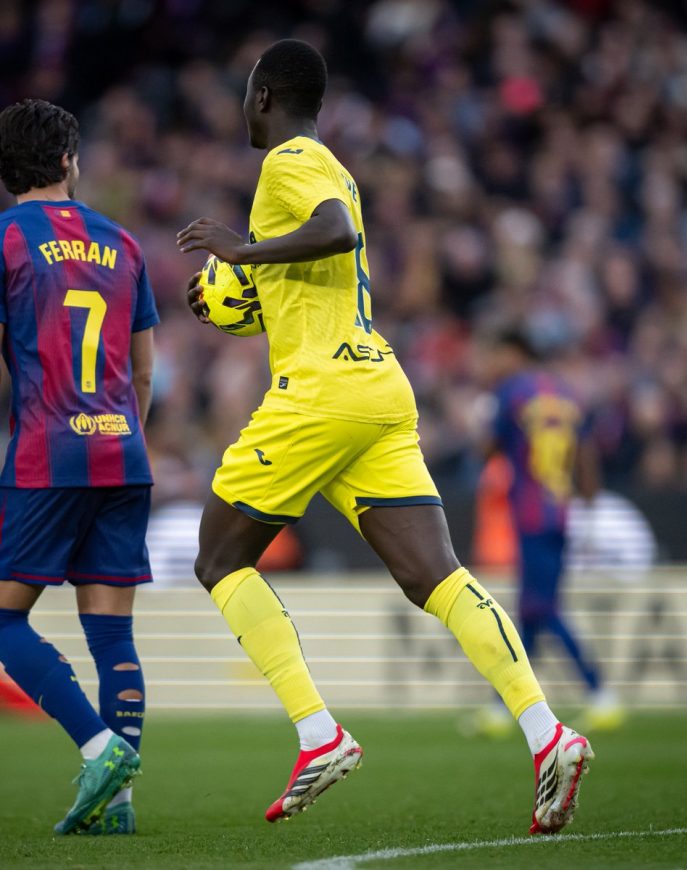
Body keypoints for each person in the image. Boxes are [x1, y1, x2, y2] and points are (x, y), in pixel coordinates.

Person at [177, 39, 593, 835]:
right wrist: (244, 292)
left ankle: (318, 734)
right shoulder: (335, 167)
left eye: (245, 95)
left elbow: (333, 234)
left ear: (263, 97)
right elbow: (317, 273)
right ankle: (548, 734)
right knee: (435, 576)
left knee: (218, 558)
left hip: (320, 392)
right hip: (376, 387)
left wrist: (242, 250)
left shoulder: (287, 164)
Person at [0, 99, 159, 835]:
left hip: (47, 451)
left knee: (4, 617)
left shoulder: (7, 239)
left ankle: (99, 748)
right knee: (113, 636)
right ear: (68, 160)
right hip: (123, 450)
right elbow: (145, 370)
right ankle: (118, 806)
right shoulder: (123, 241)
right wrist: (123, 437)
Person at [475, 328, 623, 734]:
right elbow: (585, 452)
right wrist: (589, 502)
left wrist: (481, 424)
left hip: (530, 513)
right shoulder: (564, 392)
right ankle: (502, 707)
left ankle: (599, 692)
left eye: (496, 354)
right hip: (560, 511)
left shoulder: (511, 393)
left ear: (514, 352)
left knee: (542, 609)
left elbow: (488, 449)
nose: (492, 364)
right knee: (532, 611)